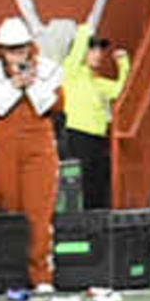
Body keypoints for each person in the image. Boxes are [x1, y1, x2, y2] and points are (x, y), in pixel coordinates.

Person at [0, 17, 62, 287]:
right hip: (4, 144)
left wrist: (30, 82)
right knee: (7, 207)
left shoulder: (49, 69)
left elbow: (52, 106)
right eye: (11, 49)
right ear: (1, 50)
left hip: (39, 144)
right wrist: (14, 85)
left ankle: (41, 276)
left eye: (22, 48)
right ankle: (12, 275)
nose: (17, 54)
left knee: (39, 210)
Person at [62, 31, 127, 211]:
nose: (98, 54)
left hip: (98, 139)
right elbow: (75, 55)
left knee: (98, 185)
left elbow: (121, 90)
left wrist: (123, 64)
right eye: (92, 49)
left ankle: (98, 225)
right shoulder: (70, 71)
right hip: (77, 136)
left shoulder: (96, 82)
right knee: (81, 187)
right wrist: (85, 30)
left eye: (99, 50)